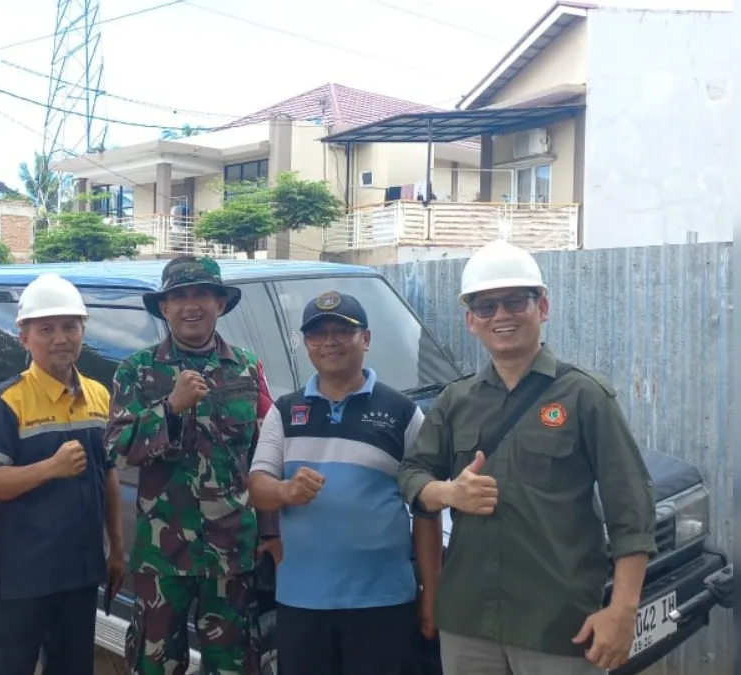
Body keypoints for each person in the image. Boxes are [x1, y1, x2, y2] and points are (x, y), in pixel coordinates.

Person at [397, 240, 658, 675]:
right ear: (471, 321)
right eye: (486, 306)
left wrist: (622, 610)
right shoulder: (455, 401)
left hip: (558, 625)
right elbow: (412, 472)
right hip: (467, 622)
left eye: (516, 301)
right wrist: (448, 493)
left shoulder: (585, 396)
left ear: (543, 307)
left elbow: (632, 508)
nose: (501, 315)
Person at [248, 290, 443, 675]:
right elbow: (257, 486)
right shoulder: (284, 411)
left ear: (365, 339)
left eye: (342, 331)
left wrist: (431, 593)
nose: (330, 342)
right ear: (305, 343)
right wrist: (286, 491)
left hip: (384, 601)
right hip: (302, 600)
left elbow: (426, 508)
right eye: (317, 334)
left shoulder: (402, 412)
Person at [105, 255, 280, 675]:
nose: (191, 306)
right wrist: (170, 408)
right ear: (164, 308)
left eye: (202, 294)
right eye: (179, 297)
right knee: (156, 664)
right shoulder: (137, 371)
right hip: (162, 554)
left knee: (234, 664)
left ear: (220, 303)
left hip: (232, 552)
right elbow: (116, 448)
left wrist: (271, 530)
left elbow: (265, 454)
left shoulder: (246, 367)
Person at [0, 273, 125, 675]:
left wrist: (116, 548)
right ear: (24, 337)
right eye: (46, 329)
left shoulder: (98, 395)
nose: (60, 338)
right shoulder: (7, 403)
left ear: (83, 331)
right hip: (23, 574)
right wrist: (50, 468)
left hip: (80, 571)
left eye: (70, 327)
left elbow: (107, 473)